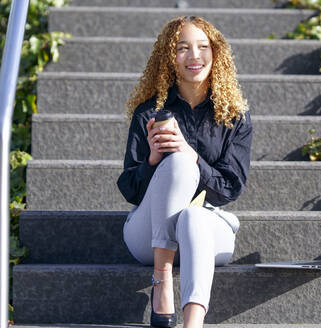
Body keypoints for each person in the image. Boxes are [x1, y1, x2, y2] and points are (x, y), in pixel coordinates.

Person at [116, 16, 252, 328]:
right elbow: (130, 190)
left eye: (203, 47)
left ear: (215, 54)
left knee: (194, 214)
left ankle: (193, 323)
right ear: (169, 58)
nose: (194, 56)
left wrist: (193, 157)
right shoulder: (149, 113)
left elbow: (229, 188)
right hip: (147, 236)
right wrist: (152, 160)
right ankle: (161, 282)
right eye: (183, 48)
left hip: (203, 235)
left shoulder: (235, 116)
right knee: (175, 162)